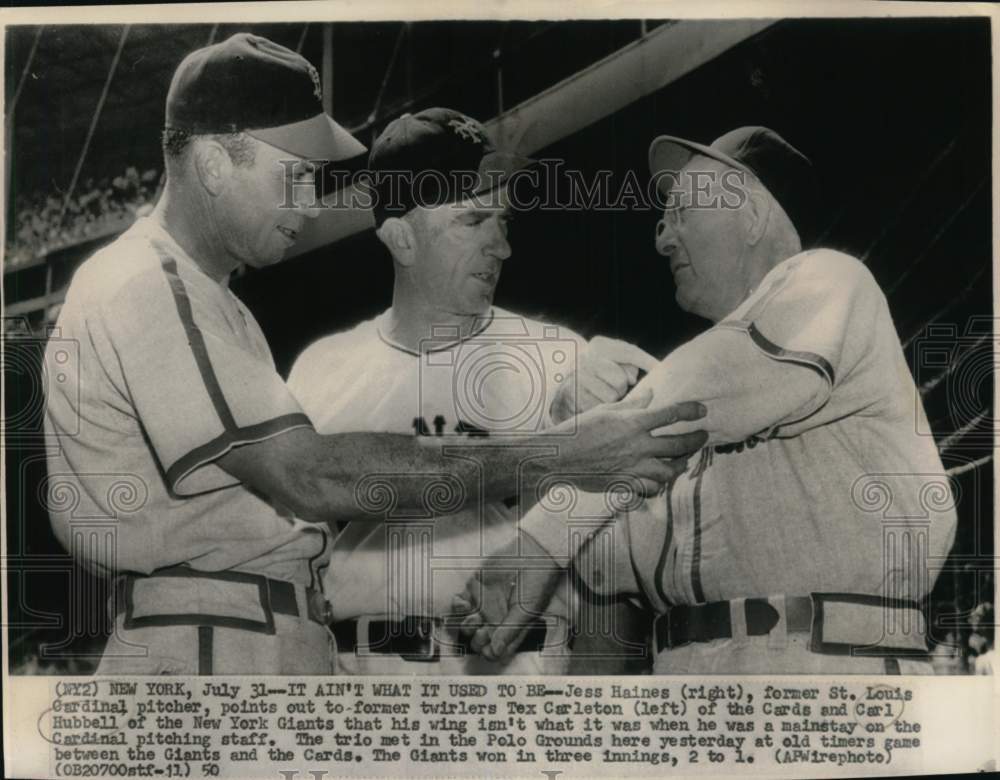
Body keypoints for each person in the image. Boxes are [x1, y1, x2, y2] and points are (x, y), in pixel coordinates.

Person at [43, 34, 705, 676]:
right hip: (222, 633)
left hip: (290, 636)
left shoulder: (213, 301)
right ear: (214, 164)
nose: (312, 200)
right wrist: (562, 453)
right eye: (296, 175)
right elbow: (309, 477)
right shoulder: (149, 283)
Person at [461, 126, 958, 675]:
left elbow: (697, 391)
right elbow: (606, 569)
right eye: (661, 220)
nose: (662, 240)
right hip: (690, 680)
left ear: (749, 213)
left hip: (827, 669)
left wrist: (545, 529)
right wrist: (580, 426)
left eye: (679, 212)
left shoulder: (833, 282)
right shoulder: (701, 387)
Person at [288, 108, 676, 674]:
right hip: (365, 682)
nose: (502, 248)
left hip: (518, 681)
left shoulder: (561, 357)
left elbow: (614, 577)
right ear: (401, 238)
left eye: (504, 222)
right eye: (473, 222)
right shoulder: (321, 370)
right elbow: (288, 570)